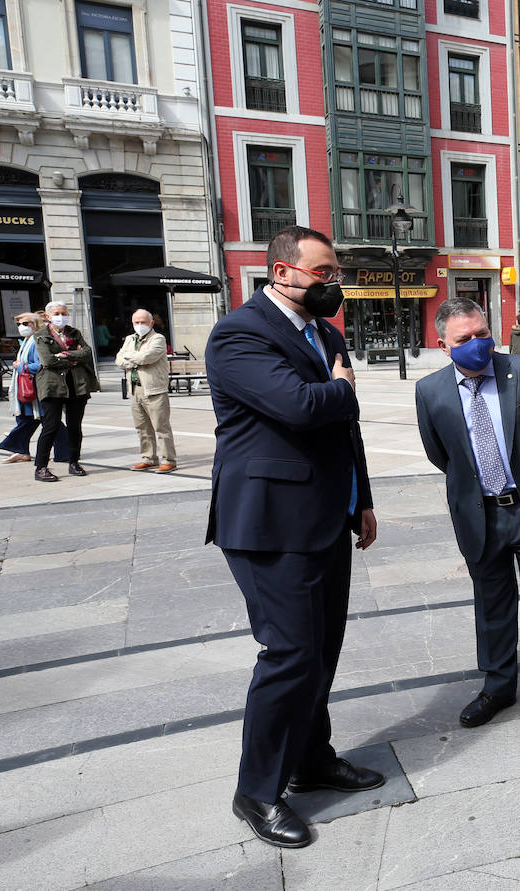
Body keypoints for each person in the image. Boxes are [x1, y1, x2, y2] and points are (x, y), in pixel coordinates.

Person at [205, 226, 381, 849]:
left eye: (335, 272)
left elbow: (343, 427)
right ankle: (256, 792)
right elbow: (303, 406)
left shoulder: (325, 333)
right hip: (270, 523)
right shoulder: (241, 332)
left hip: (327, 515)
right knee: (289, 653)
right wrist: (341, 389)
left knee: (321, 647)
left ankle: (312, 760)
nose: (335, 283)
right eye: (324, 272)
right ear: (283, 272)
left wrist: (362, 500)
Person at [414, 297, 520, 733]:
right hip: (479, 513)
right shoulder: (429, 391)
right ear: (444, 345)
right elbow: (439, 453)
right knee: (491, 604)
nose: (477, 344)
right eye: (464, 339)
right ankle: (498, 686)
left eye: (482, 334)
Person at [33, 301, 100, 483]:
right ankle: (41, 467)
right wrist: (73, 358)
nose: (61, 316)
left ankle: (74, 462)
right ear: (47, 317)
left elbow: (87, 352)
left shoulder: (74, 333)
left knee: (74, 426)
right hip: (52, 385)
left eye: (63, 313)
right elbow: (47, 361)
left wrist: (66, 355)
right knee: (51, 426)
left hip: (76, 384)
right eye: (56, 313)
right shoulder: (41, 335)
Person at [115, 308, 177, 473]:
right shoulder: (129, 339)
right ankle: (149, 458)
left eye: (143, 322)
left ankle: (168, 460)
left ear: (151, 323)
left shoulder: (158, 338)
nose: (140, 325)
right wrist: (132, 359)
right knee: (142, 428)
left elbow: (146, 357)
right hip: (135, 389)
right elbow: (118, 359)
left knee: (161, 427)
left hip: (154, 389)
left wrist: (130, 357)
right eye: (137, 322)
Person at [1, 312, 68, 464]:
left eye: (25, 324)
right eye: (18, 324)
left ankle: (63, 452)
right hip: (27, 387)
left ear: (35, 324)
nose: (21, 327)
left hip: (37, 387)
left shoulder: (38, 340)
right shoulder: (27, 340)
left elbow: (43, 364)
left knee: (48, 421)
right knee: (28, 419)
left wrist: (22, 367)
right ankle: (22, 450)